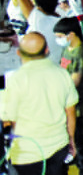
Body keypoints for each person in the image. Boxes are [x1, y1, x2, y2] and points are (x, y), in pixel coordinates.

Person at [0, 32, 78, 175]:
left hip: (28, 154)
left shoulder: (15, 80)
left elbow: (9, 119)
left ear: (19, 53)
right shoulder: (62, 74)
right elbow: (70, 112)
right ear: (47, 50)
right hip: (59, 146)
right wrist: (71, 141)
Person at [54, 17, 83, 175]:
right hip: (66, 102)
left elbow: (75, 80)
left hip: (77, 103)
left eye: (60, 36)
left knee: (79, 138)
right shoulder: (68, 50)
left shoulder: (81, 53)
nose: (58, 40)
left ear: (70, 35)